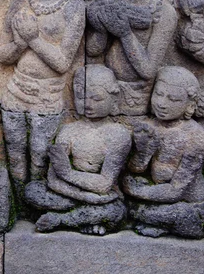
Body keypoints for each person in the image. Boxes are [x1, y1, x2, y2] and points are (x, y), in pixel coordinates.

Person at [0, 0, 85, 190]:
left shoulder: (73, 5)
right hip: (16, 88)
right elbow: (2, 55)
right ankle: (18, 196)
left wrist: (33, 39)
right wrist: (20, 44)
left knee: (39, 151)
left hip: (48, 93)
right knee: (13, 148)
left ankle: (37, 195)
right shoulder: (22, 0)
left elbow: (62, 63)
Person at [26, 65, 131, 235]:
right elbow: (53, 179)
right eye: (81, 97)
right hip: (86, 198)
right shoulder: (68, 131)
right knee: (33, 191)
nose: (88, 104)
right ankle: (86, 219)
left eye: (96, 98)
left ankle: (60, 220)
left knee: (116, 210)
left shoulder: (118, 135)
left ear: (114, 98)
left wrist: (68, 173)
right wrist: (87, 197)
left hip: (101, 197)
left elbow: (105, 184)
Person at [86, 0, 176, 115]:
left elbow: (148, 69)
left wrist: (125, 34)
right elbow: (92, 51)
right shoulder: (115, 0)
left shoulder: (163, 11)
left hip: (138, 95)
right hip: (103, 91)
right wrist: (101, 28)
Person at [122, 66, 204, 238]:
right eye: (159, 94)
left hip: (189, 205)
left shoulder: (196, 138)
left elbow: (177, 190)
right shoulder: (149, 126)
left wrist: (136, 191)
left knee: (142, 210)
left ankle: (160, 223)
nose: (162, 104)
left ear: (190, 105)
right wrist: (142, 152)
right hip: (157, 192)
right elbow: (137, 169)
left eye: (173, 99)